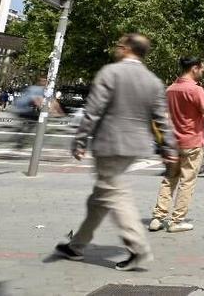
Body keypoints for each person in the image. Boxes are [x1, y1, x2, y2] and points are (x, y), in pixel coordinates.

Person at [55, 34, 177, 271]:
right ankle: (77, 245)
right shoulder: (153, 81)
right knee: (100, 198)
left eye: (119, 45)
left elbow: (93, 111)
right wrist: (169, 148)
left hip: (110, 143)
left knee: (115, 194)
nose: (117, 49)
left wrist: (80, 140)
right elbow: (162, 119)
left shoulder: (110, 73)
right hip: (136, 146)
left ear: (128, 49)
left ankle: (138, 248)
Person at [148, 57, 204, 233]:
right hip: (192, 143)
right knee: (187, 182)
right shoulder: (196, 90)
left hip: (172, 143)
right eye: (202, 69)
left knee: (169, 179)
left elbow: (188, 110)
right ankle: (177, 220)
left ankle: (157, 217)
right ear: (194, 68)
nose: (202, 72)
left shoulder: (171, 89)